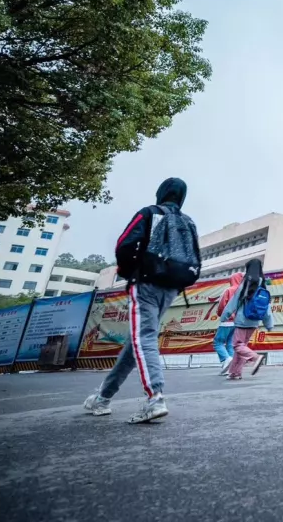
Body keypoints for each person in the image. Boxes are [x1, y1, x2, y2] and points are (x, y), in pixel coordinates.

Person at [83, 178, 202, 421]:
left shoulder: (149, 213)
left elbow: (124, 245)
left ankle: (155, 398)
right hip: (172, 286)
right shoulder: (188, 221)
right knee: (136, 342)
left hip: (146, 282)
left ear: (161, 192)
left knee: (143, 337)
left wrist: (130, 272)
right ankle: (103, 397)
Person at [220, 258, 273, 380]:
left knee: (237, 346)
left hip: (242, 320)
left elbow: (234, 301)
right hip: (254, 322)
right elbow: (266, 308)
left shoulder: (246, 283)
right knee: (242, 347)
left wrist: (225, 316)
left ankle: (255, 358)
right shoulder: (263, 285)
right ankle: (235, 373)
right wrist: (269, 324)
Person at [213, 271, 243, 375]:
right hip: (238, 322)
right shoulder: (244, 292)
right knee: (230, 344)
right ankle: (230, 368)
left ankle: (227, 359)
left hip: (227, 320)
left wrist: (220, 314)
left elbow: (222, 305)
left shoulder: (229, 290)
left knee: (218, 342)